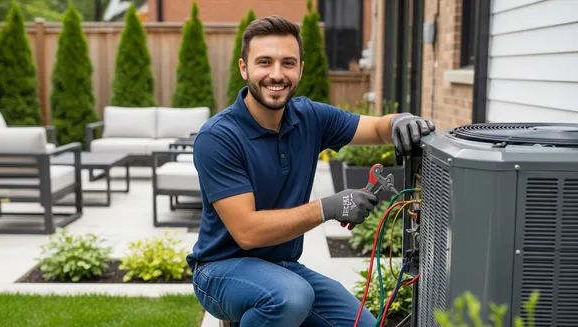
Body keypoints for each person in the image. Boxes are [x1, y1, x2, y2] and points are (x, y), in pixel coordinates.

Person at [186, 15, 435, 327]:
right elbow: (247, 232)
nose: (276, 74)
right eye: (264, 62)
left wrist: (401, 120)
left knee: (362, 324)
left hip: (282, 268)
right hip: (220, 270)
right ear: (244, 68)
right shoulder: (219, 137)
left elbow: (377, 128)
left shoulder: (310, 117)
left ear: (300, 69)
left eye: (288, 63)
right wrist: (328, 207)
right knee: (289, 297)